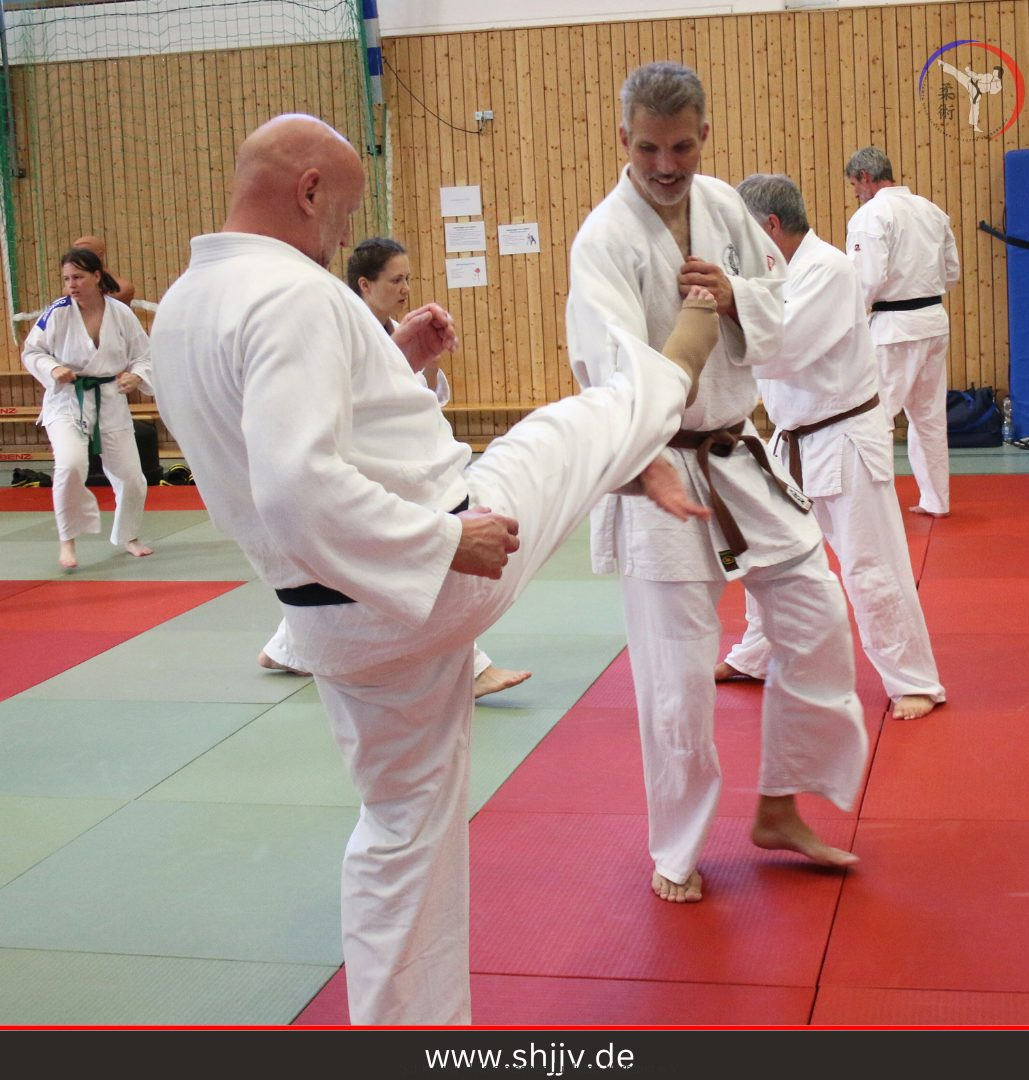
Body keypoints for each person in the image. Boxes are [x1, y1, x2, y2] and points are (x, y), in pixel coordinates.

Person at [149, 113, 718, 1025]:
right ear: (308, 191)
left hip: (329, 617)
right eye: (345, 211)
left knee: (400, 826)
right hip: (436, 568)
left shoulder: (185, 304)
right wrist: (445, 543)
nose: (344, 232)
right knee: (571, 427)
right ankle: (683, 361)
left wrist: (392, 363)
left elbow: (272, 441)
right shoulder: (292, 293)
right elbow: (296, 484)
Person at [567, 62, 868, 906]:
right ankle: (677, 848)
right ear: (623, 139)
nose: (667, 165)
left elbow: (778, 300)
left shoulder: (726, 206)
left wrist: (734, 296)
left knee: (817, 617)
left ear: (704, 135)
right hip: (658, 460)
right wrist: (640, 457)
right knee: (677, 674)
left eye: (682, 147)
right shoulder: (603, 240)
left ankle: (780, 805)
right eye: (650, 148)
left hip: (737, 452)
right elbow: (607, 363)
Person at [256, 235, 533, 701]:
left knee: (378, 575)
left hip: (403, 463)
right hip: (362, 470)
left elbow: (422, 401)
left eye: (407, 279)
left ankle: (283, 648)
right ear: (365, 284)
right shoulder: (342, 331)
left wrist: (425, 359)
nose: (405, 289)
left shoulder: (393, 330)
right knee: (423, 569)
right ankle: (474, 668)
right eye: (395, 280)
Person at [714, 173, 945, 722]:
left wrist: (726, 309)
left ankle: (913, 679)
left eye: (743, 232)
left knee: (870, 566)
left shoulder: (829, 270)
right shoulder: (770, 274)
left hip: (843, 440)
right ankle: (757, 655)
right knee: (766, 558)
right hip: (790, 441)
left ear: (770, 226)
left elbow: (781, 351)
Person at [844, 146, 960, 518]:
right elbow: (952, 272)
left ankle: (873, 505)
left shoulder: (870, 215)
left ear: (865, 177)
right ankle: (936, 500)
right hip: (933, 321)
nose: (855, 192)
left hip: (893, 329)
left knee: (875, 417)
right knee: (929, 417)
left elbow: (866, 280)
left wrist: (850, 324)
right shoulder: (931, 210)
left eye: (854, 184)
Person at [21, 247, 154, 569]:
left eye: (78, 277)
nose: (72, 285)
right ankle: (67, 540)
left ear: (97, 276)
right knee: (70, 465)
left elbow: (144, 354)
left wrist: (136, 376)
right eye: (67, 279)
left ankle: (129, 536)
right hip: (67, 399)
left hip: (109, 399)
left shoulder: (120, 313)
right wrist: (53, 368)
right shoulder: (56, 313)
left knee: (131, 478)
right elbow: (32, 352)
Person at [937, 59, 1004, 133]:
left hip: (976, 92)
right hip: (970, 82)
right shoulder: (989, 76)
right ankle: (943, 64)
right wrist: (969, 72)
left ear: (999, 74)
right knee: (958, 73)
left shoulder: (998, 86)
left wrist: (985, 84)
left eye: (995, 73)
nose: (993, 73)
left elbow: (990, 90)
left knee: (975, 108)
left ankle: (975, 126)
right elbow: (977, 76)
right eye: (994, 72)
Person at [73, 235, 136, 306]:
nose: (78, 259)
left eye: (84, 255)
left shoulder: (123, 288)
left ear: (100, 255)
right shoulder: (71, 288)